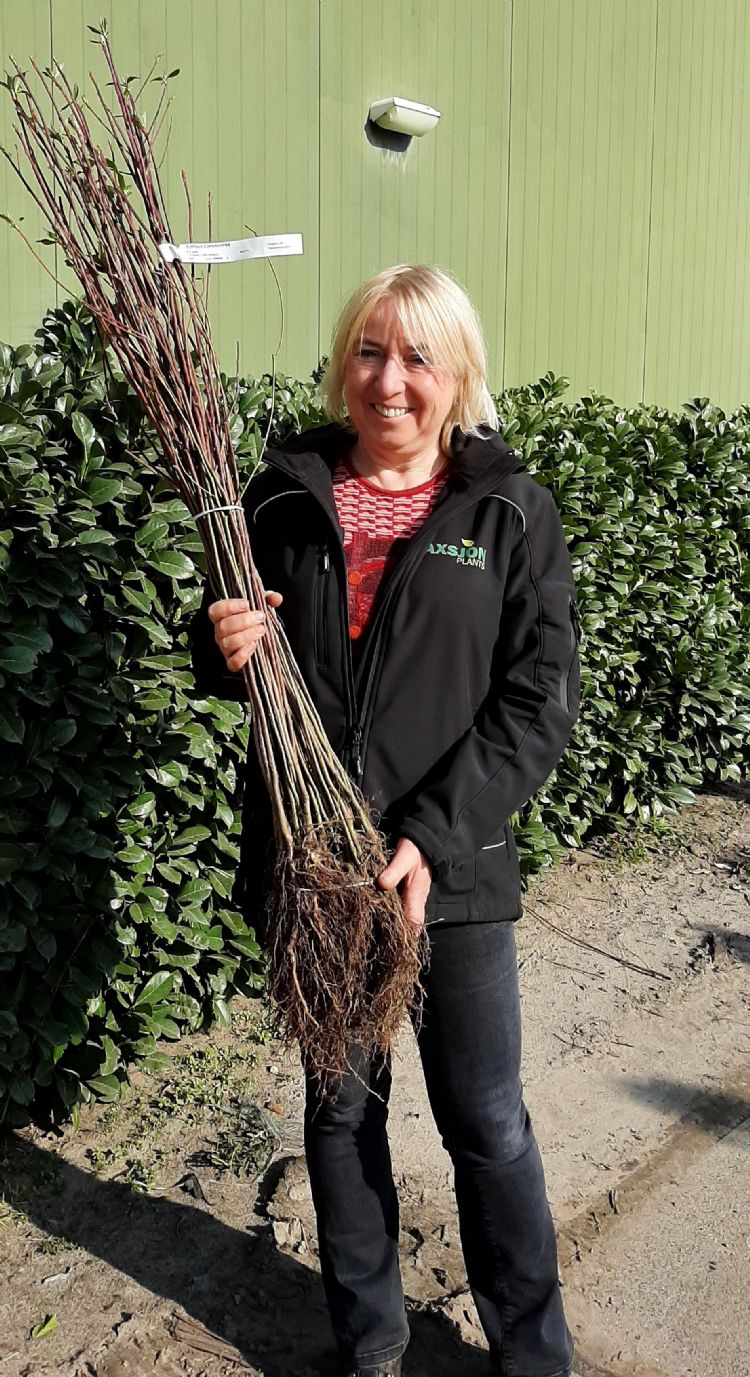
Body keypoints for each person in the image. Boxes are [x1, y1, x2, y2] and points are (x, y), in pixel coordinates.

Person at [189, 264, 581, 1377]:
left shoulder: (507, 511)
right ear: (341, 361)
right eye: (369, 350)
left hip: (444, 875)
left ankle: (534, 1356)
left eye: (417, 356)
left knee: (487, 1122)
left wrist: (434, 836)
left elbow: (537, 700)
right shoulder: (276, 498)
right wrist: (219, 647)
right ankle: (369, 1347)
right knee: (339, 1115)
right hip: (315, 869)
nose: (390, 380)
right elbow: (239, 660)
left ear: (458, 374)